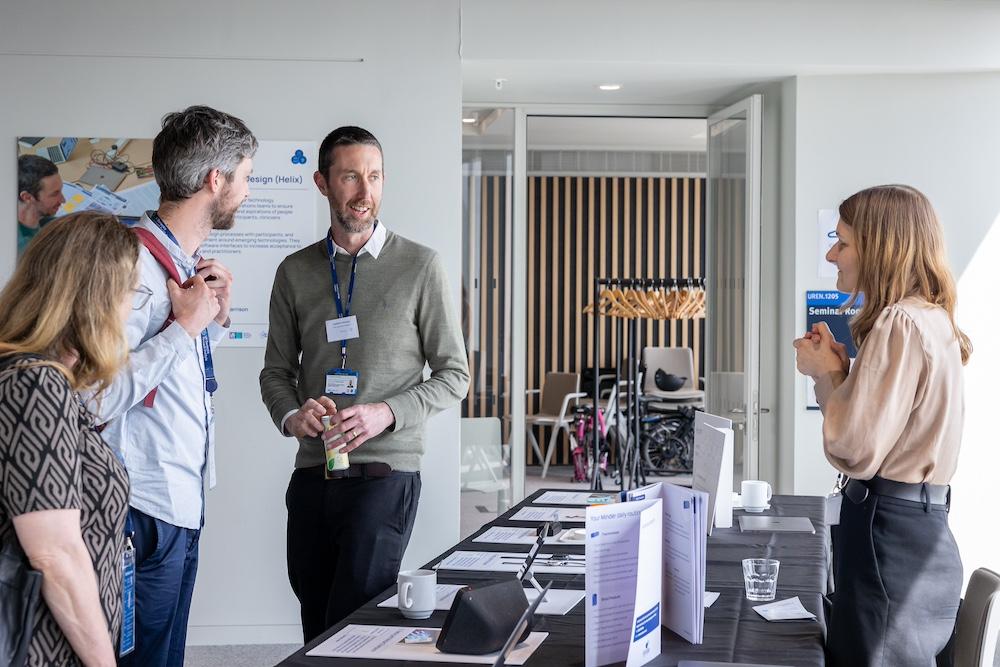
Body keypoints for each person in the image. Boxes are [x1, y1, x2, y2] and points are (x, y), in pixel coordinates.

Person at [259, 126, 470, 642]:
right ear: (322, 183)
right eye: (351, 176)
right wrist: (292, 416)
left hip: (385, 475)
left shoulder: (421, 266)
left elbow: (454, 375)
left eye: (374, 176)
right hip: (313, 474)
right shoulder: (294, 271)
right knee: (315, 619)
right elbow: (276, 372)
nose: (364, 191)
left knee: (353, 620)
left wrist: (387, 412)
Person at [84, 106, 257, 667]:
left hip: (179, 502)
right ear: (215, 180)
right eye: (245, 177)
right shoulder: (131, 266)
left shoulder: (180, 265)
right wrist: (183, 330)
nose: (247, 191)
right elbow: (94, 397)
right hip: (142, 507)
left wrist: (211, 321)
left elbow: (171, 378)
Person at [793, 184, 971, 666]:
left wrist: (827, 374)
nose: (831, 254)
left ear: (879, 247)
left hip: (887, 541)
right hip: (919, 534)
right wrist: (838, 372)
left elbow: (854, 448)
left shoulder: (899, 322)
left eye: (843, 242)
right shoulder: (932, 320)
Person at [0, 212, 139, 666]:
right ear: (96, 299)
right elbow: (54, 553)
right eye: (131, 292)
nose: (129, 309)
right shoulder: (35, 385)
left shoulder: (41, 380)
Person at [17, 153, 65, 258]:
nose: (63, 200)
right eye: (54, 194)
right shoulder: (25, 251)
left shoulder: (38, 216)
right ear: (27, 197)